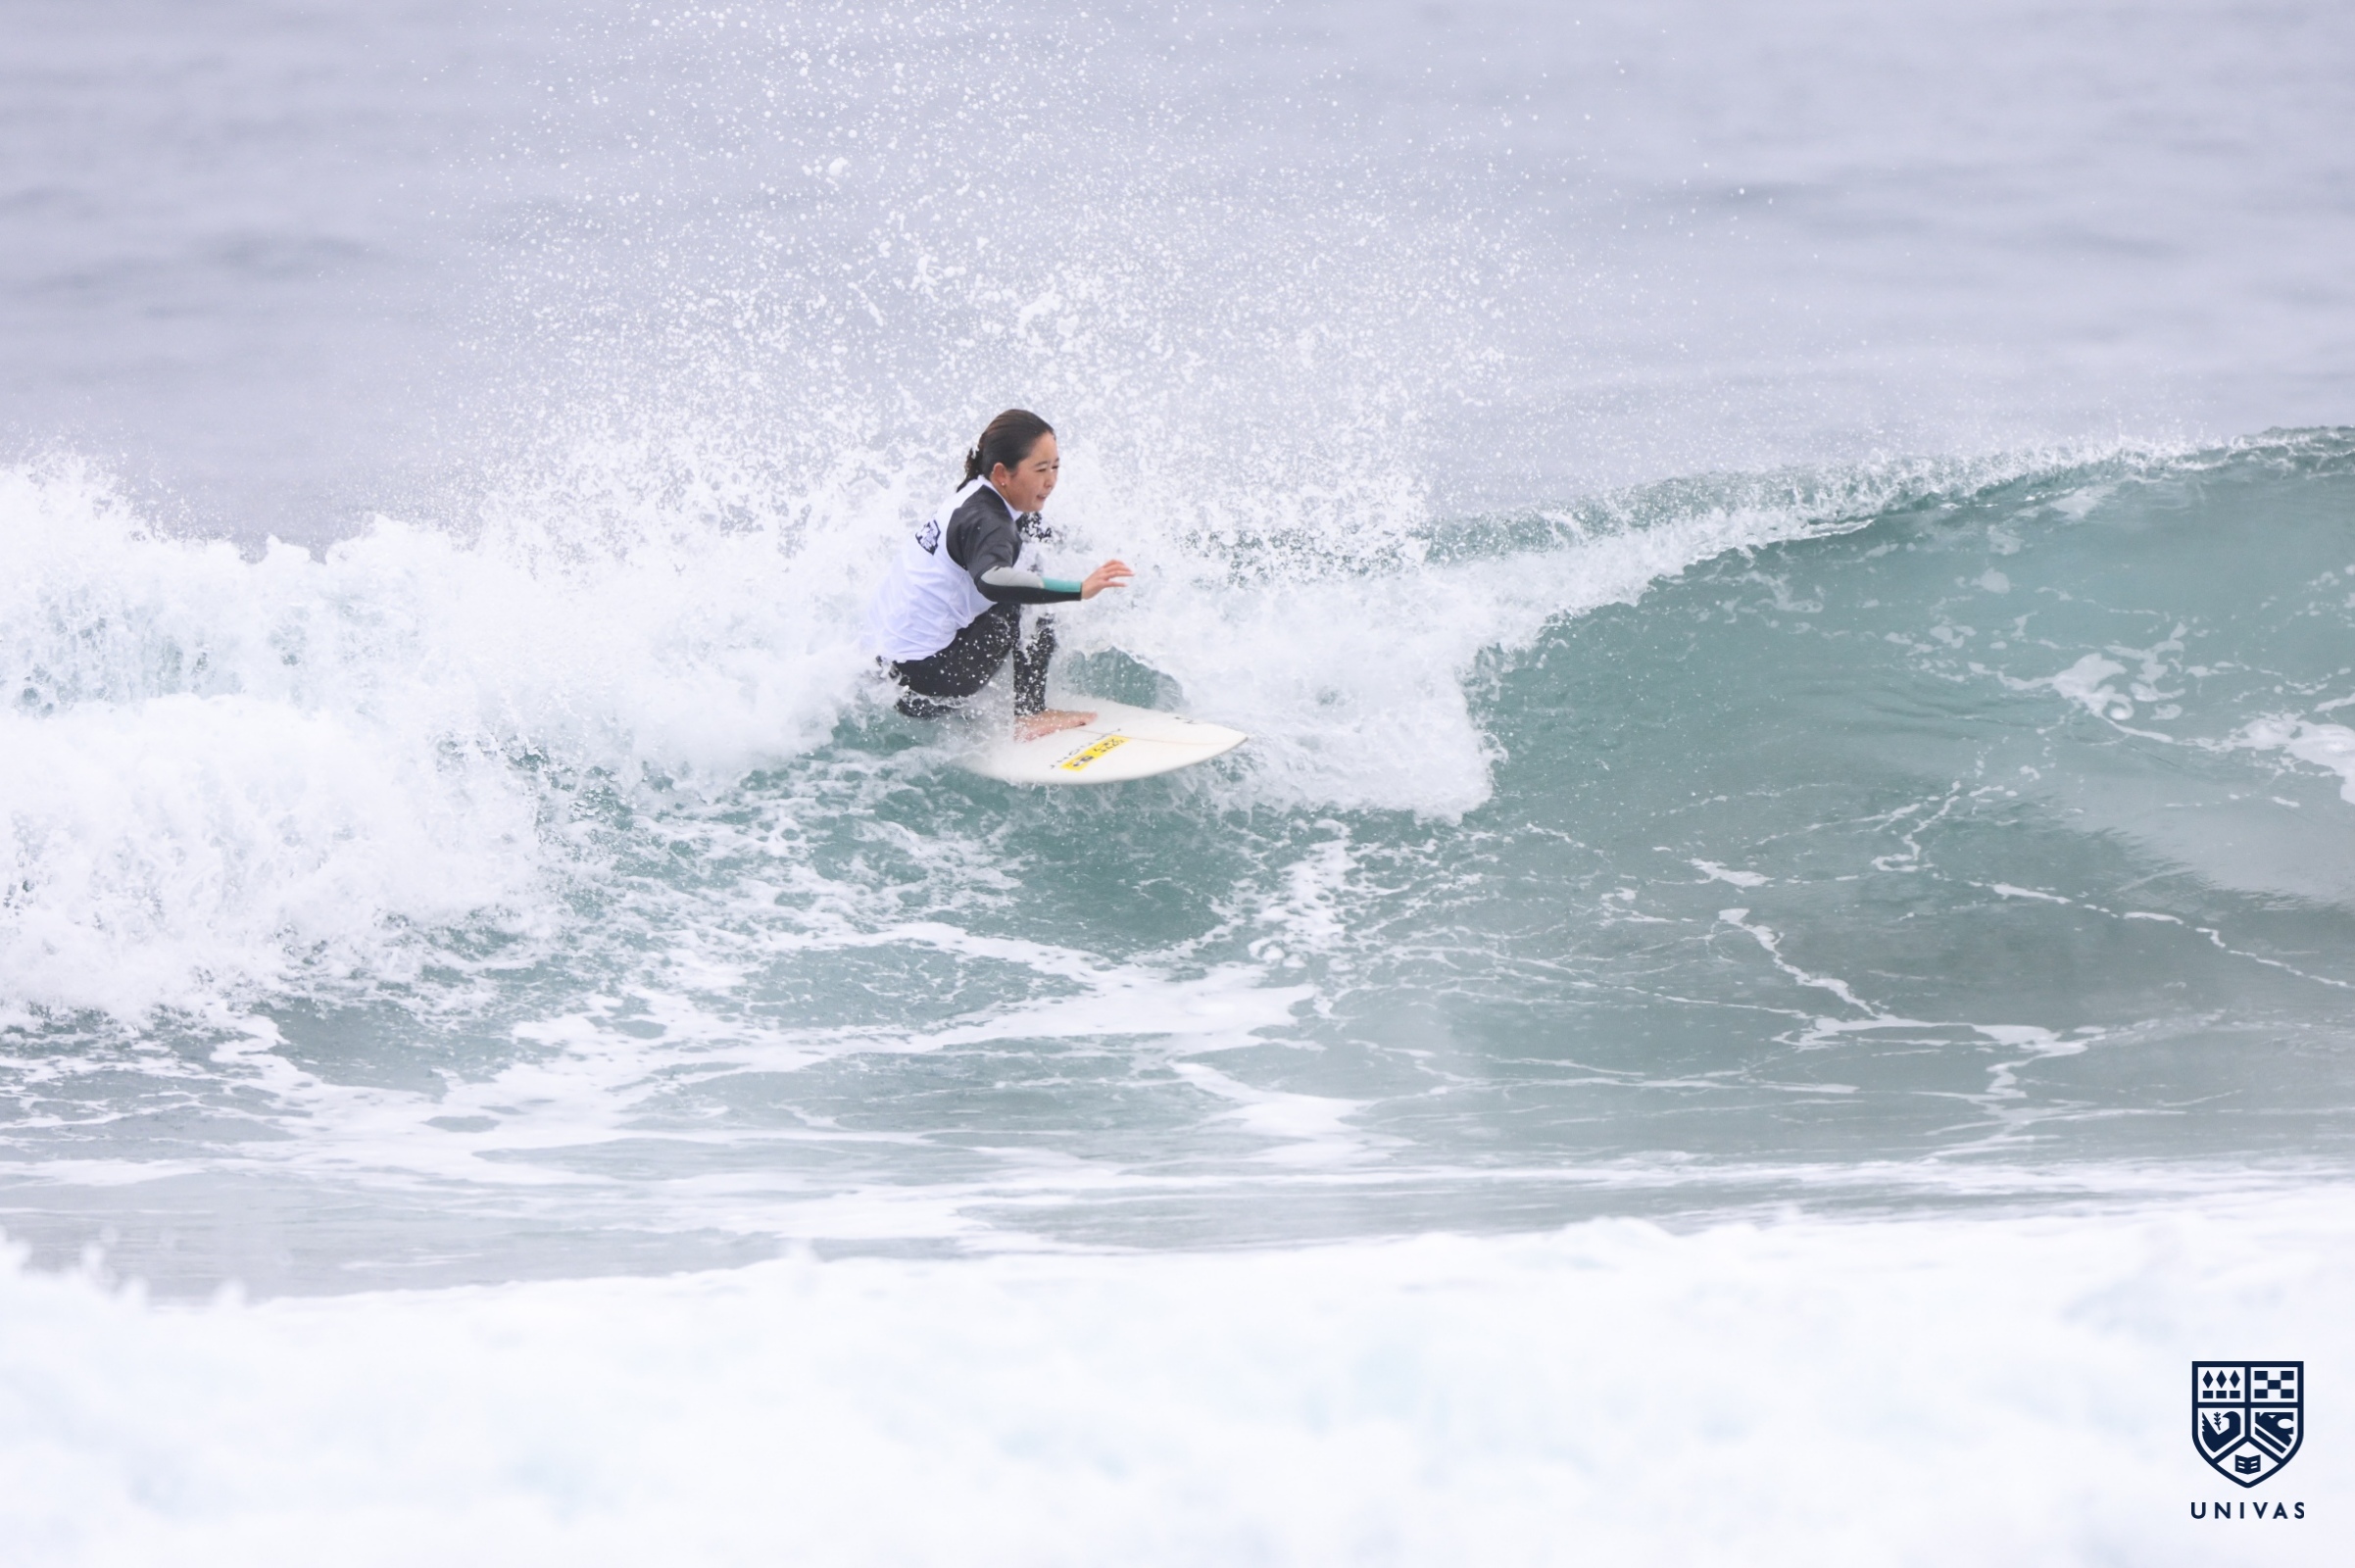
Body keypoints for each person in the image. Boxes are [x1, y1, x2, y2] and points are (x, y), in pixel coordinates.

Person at [867, 409, 1131, 739]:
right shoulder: (990, 522)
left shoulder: (974, 493)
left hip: (885, 674)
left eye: (1055, 467)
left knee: (1033, 554)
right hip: (925, 689)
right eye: (1040, 469)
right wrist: (1079, 588)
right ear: (1002, 473)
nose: (1051, 480)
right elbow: (992, 581)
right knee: (1029, 588)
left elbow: (1026, 531)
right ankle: (1031, 714)